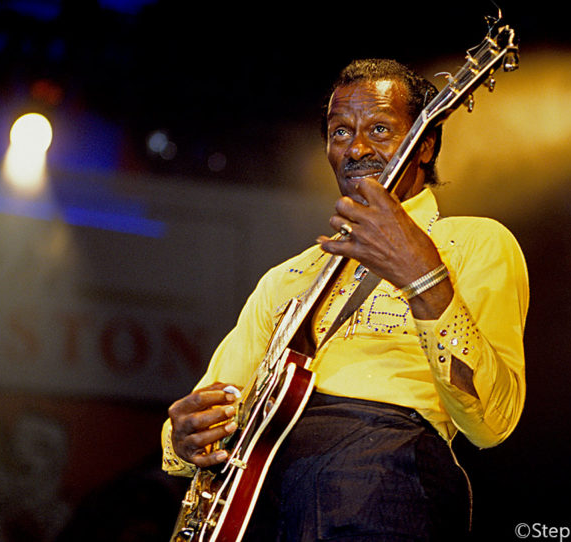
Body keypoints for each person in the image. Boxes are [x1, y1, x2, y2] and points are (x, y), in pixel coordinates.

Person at [161, 58, 529, 541]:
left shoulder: (475, 243)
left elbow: (493, 421)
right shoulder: (286, 277)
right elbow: (207, 408)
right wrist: (184, 436)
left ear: (426, 144)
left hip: (385, 481)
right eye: (340, 133)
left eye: (380, 129)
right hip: (262, 500)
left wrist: (423, 275)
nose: (357, 147)